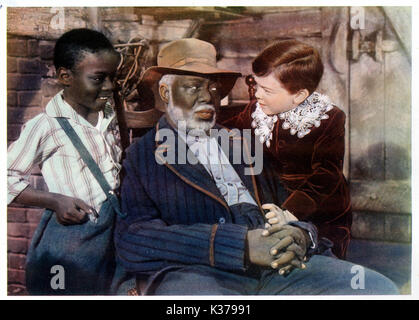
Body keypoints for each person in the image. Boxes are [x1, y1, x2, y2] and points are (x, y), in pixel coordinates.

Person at [114, 38, 398, 295]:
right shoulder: (143, 154)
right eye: (193, 87)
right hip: (199, 272)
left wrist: (301, 234)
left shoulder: (243, 142)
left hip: (276, 266)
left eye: (214, 87)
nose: (208, 97)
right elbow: (133, 238)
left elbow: (285, 204)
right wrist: (240, 246)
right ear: (165, 93)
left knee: (376, 288)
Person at [7, 28, 124, 294]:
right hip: (71, 242)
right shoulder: (46, 126)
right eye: (98, 78)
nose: (109, 86)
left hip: (109, 239)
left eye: (112, 77)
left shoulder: (109, 114)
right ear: (65, 77)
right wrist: (54, 200)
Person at [222, 40, 352, 259]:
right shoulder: (256, 110)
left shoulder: (329, 118)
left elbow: (327, 174)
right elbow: (228, 128)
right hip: (272, 201)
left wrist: (291, 212)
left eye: (267, 90)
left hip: (319, 208)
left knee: (318, 264)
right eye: (255, 84)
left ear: (299, 96)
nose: (257, 94)